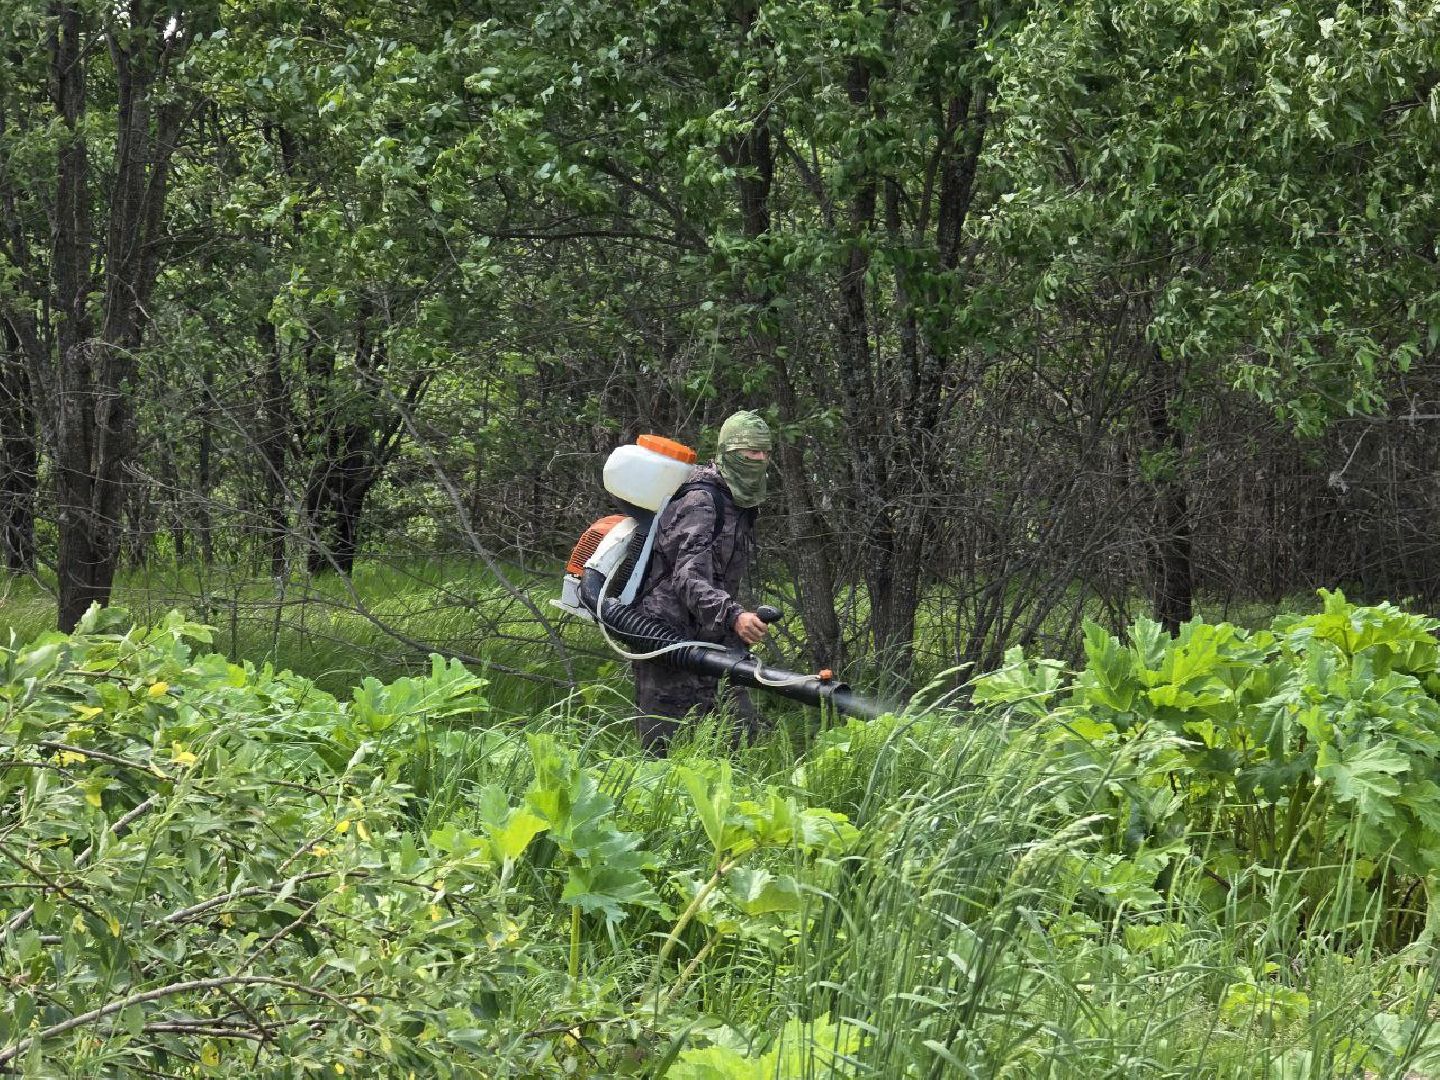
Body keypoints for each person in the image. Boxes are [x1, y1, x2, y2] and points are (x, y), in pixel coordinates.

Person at [631, 410, 772, 754]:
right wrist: (734, 615)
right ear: (726, 453)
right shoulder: (702, 501)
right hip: (666, 637)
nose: (757, 460)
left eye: (763, 453)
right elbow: (688, 576)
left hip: (712, 637)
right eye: (747, 454)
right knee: (662, 752)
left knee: (738, 740)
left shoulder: (739, 502)